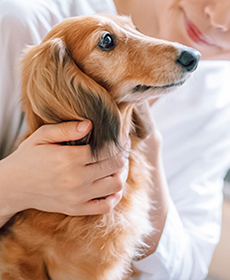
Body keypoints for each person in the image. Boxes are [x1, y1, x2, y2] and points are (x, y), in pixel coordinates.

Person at [0, 0, 230, 279]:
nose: (219, 19)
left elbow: (188, 269)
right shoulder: (14, 25)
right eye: (107, 42)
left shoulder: (219, 99)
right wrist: (12, 187)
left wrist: (148, 153)